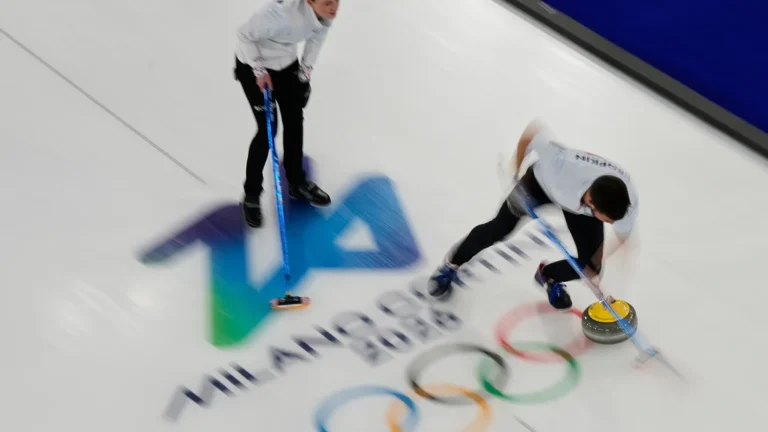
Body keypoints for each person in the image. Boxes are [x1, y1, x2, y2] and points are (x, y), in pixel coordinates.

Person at [428, 121, 639, 310]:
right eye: (608, 220)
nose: (611, 224)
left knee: (589, 267)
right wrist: (516, 171)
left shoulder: (625, 200)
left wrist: (590, 270)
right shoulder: (560, 165)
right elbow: (534, 132)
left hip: (581, 204)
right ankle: (451, 265)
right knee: (498, 229)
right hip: (538, 185)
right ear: (592, 203)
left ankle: (548, 276)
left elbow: (621, 235)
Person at [234, 0, 339, 228]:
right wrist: (259, 70)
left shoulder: (324, 14)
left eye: (337, 1)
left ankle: (297, 182)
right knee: (268, 130)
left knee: (294, 121)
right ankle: (251, 194)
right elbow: (244, 35)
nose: (334, 8)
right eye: (328, 3)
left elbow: (316, 37)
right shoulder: (279, 13)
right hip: (254, 67)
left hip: (286, 65)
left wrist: (305, 73)